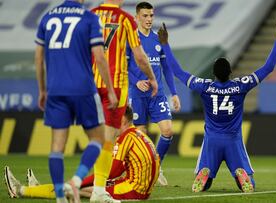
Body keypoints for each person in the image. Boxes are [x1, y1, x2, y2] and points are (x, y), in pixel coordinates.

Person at [157, 19, 276, 193]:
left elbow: (178, 72)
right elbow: (268, 67)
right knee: (250, 185)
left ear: (213, 74)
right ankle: (242, 175)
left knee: (205, 185)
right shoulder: (241, 86)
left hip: (212, 141)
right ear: (231, 72)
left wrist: (165, 44)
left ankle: (204, 174)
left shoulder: (204, 86)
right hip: (233, 141)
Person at [28, 0, 118, 202]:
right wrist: (110, 89)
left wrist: (42, 89)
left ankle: (60, 197)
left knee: (57, 146)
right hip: (83, 89)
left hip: (55, 90)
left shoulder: (48, 17)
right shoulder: (89, 18)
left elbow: (38, 57)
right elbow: (100, 57)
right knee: (98, 138)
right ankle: (76, 181)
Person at [4, 106, 160, 201]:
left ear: (122, 120)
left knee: (73, 190)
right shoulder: (140, 134)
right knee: (85, 188)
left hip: (133, 190)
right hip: (139, 188)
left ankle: (22, 191)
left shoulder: (126, 138)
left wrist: (82, 181)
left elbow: (112, 172)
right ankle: (39, 188)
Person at [90, 0, 158, 201]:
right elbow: (139, 57)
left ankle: (76, 185)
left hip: (90, 84)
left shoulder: (91, 15)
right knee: (108, 141)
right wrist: (152, 78)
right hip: (115, 86)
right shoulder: (126, 19)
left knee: (95, 139)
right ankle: (96, 190)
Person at [126, 1, 181, 186]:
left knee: (168, 130)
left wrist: (174, 93)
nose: (149, 19)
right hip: (138, 95)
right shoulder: (131, 38)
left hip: (157, 95)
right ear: (136, 17)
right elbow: (124, 66)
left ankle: (156, 167)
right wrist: (136, 81)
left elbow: (166, 68)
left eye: (151, 15)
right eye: (145, 16)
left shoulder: (159, 39)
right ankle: (141, 171)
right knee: (141, 136)